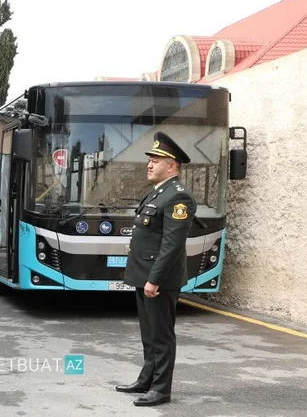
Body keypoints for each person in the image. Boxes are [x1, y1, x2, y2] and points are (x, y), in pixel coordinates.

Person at [116, 131, 196, 407]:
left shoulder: (178, 198)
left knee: (161, 336)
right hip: (144, 276)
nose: (149, 164)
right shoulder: (159, 193)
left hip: (158, 280)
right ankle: (147, 379)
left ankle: (161, 390)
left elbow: (172, 245)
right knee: (148, 334)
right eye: (149, 159)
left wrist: (154, 280)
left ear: (171, 166)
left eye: (156, 160)